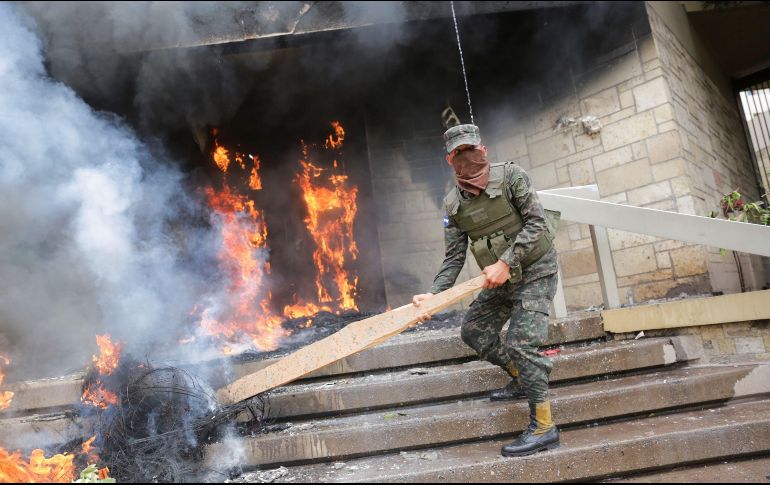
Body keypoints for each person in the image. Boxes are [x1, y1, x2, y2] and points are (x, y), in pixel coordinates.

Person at [412, 124, 561, 457]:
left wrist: (506, 262)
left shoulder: (512, 177)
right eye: (459, 153)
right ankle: (522, 377)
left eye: (471, 150)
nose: (466, 157)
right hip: (499, 280)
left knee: (522, 343)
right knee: (473, 330)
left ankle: (544, 427)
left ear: (484, 150)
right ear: (449, 159)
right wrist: (434, 295)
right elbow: (454, 258)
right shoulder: (453, 205)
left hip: (536, 270)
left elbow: (537, 222)